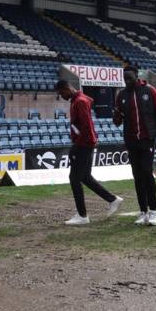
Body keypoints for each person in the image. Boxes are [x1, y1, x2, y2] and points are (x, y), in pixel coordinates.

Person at [55, 79, 122, 226]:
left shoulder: (79, 101)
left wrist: (77, 146)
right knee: (85, 177)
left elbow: (86, 126)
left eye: (61, 93)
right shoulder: (79, 100)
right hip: (85, 144)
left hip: (84, 145)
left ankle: (82, 215)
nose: (61, 96)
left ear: (67, 88)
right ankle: (112, 199)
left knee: (74, 178)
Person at [113, 66, 156, 227]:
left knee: (147, 173)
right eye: (125, 79)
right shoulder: (121, 95)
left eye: (130, 78)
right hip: (131, 141)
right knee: (137, 176)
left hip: (147, 139)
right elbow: (117, 122)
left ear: (136, 76)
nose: (127, 81)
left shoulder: (149, 91)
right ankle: (143, 211)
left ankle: (153, 211)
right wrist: (116, 115)